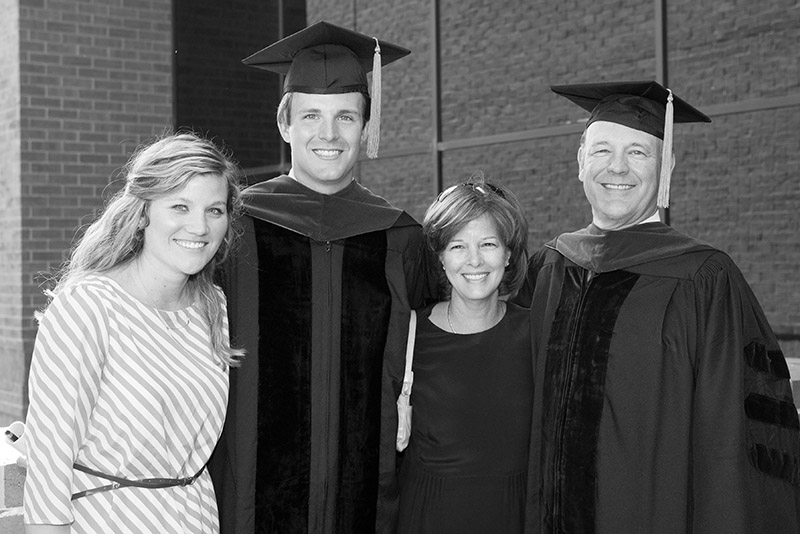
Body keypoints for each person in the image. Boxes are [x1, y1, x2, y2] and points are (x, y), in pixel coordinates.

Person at [514, 81, 800, 533]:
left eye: (638, 153)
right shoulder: (548, 268)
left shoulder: (705, 278)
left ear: (666, 166)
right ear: (580, 161)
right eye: (603, 150)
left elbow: (734, 439)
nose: (617, 167)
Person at [208, 21, 434, 534]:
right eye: (311, 115)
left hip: (368, 494)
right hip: (249, 495)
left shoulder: (399, 236)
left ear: (366, 127)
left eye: (345, 117)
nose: (329, 134)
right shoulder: (236, 227)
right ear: (284, 124)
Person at [22, 132, 244, 534]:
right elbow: (48, 462)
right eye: (180, 206)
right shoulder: (89, 306)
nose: (200, 226)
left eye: (215, 210)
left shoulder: (213, 306)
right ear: (143, 213)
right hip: (105, 519)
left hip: (196, 517)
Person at [396, 179, 532, 534]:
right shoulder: (408, 335)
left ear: (508, 254)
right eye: (458, 246)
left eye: (488, 244)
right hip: (429, 517)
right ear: (441, 257)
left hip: (514, 516)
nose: (474, 260)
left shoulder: (537, 334)